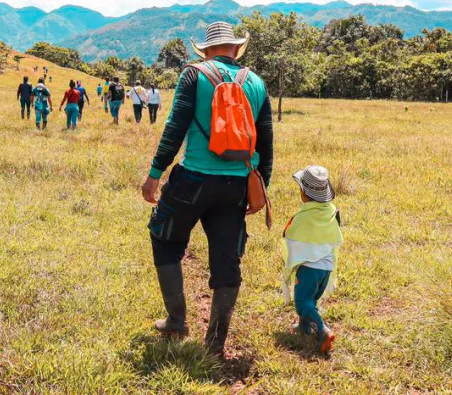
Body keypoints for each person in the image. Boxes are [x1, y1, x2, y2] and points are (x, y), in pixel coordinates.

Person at [141, 22, 273, 357]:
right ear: (235, 49)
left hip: (193, 180)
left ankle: (176, 320)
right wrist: (261, 189)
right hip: (236, 186)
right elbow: (266, 144)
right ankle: (215, 344)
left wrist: (155, 174)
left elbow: (175, 127)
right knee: (227, 261)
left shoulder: (193, 75)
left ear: (207, 50)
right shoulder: (256, 82)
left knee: (164, 237)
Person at [281, 165, 342, 355]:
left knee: (302, 302)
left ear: (305, 194)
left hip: (308, 269)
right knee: (312, 299)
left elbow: (289, 234)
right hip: (326, 268)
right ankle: (304, 328)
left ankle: (322, 331)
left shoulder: (304, 216)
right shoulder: (331, 211)